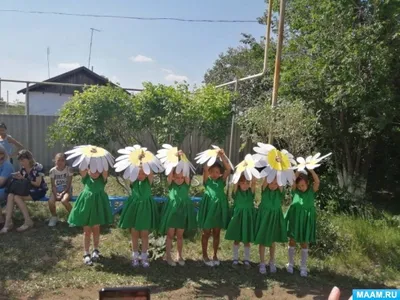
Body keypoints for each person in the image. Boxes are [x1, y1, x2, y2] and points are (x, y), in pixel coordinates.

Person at [68, 167, 113, 266]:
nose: (95, 172)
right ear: (88, 169)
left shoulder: (102, 179)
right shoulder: (86, 178)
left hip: (97, 207)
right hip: (87, 207)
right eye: (93, 169)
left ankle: (96, 250)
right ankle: (86, 253)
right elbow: (81, 169)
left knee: (96, 228)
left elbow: (105, 170)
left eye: (98, 170)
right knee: (87, 230)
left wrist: (101, 163)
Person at [159, 152, 197, 267]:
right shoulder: (171, 185)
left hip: (182, 213)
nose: (179, 179)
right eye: (177, 177)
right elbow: (169, 173)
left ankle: (179, 255)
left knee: (179, 235)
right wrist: (174, 158)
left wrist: (183, 158)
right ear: (173, 176)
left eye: (182, 177)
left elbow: (186, 173)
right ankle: (168, 256)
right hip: (172, 213)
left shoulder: (186, 184)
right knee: (170, 234)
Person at [119, 166, 159, 268]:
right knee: (134, 234)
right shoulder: (133, 182)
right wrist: (136, 163)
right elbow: (131, 173)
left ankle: (144, 257)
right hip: (134, 209)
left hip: (145, 209)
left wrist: (145, 162)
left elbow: (150, 173)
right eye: (138, 173)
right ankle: (135, 256)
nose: (140, 176)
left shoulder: (148, 181)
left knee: (145, 234)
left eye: (143, 173)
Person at [197, 149, 231, 267]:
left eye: (217, 172)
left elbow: (229, 169)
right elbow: (205, 168)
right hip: (208, 209)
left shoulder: (222, 181)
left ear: (220, 173)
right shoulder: (207, 181)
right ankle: (205, 255)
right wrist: (212, 156)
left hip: (218, 210)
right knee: (206, 233)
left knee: (216, 233)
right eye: (212, 171)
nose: (214, 174)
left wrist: (222, 156)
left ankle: (215, 254)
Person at [0, 149, 47, 233]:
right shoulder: (23, 169)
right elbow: (23, 181)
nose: (21, 163)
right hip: (27, 190)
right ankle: (7, 224)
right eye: (20, 161)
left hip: (38, 190)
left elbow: (37, 184)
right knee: (11, 195)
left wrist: (24, 179)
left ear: (29, 159)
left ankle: (28, 221)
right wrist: (17, 177)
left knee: (17, 197)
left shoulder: (38, 167)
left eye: (23, 160)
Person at [285, 169, 320, 277]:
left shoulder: (311, 191)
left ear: (307, 183)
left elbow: (317, 182)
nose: (301, 187)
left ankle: (303, 267)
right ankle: (290, 264)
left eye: (303, 185)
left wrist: (311, 170)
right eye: (299, 186)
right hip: (295, 219)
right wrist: (297, 172)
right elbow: (292, 181)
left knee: (304, 242)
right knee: (292, 241)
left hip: (306, 220)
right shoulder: (295, 191)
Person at [254, 177, 287, 274]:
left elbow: (281, 184)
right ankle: (262, 262)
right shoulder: (264, 190)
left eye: (275, 184)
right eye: (271, 183)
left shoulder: (279, 193)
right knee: (262, 240)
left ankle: (272, 261)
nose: (273, 185)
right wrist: (270, 171)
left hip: (274, 217)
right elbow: (265, 181)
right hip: (264, 217)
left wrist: (278, 171)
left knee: (272, 241)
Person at [225, 175, 256, 269]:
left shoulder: (251, 192)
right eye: (242, 183)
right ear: (238, 184)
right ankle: (235, 259)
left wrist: (252, 171)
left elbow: (254, 182)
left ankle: (247, 260)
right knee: (237, 239)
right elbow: (234, 183)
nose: (245, 185)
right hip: (238, 218)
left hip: (247, 218)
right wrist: (238, 173)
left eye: (247, 183)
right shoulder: (236, 192)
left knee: (247, 240)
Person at [48, 153, 73, 227]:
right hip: (56, 189)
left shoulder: (69, 169)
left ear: (65, 161)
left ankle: (73, 217)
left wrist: (62, 193)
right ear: (55, 161)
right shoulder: (52, 171)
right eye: (58, 160)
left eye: (62, 160)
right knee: (50, 201)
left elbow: (68, 184)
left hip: (66, 189)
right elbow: (53, 185)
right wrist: (56, 194)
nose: (60, 162)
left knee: (64, 200)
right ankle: (54, 217)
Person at [0, 145, 14, 226]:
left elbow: (1, 182)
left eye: (1, 153)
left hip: (8, 190)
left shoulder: (7, 165)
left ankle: (1, 220)